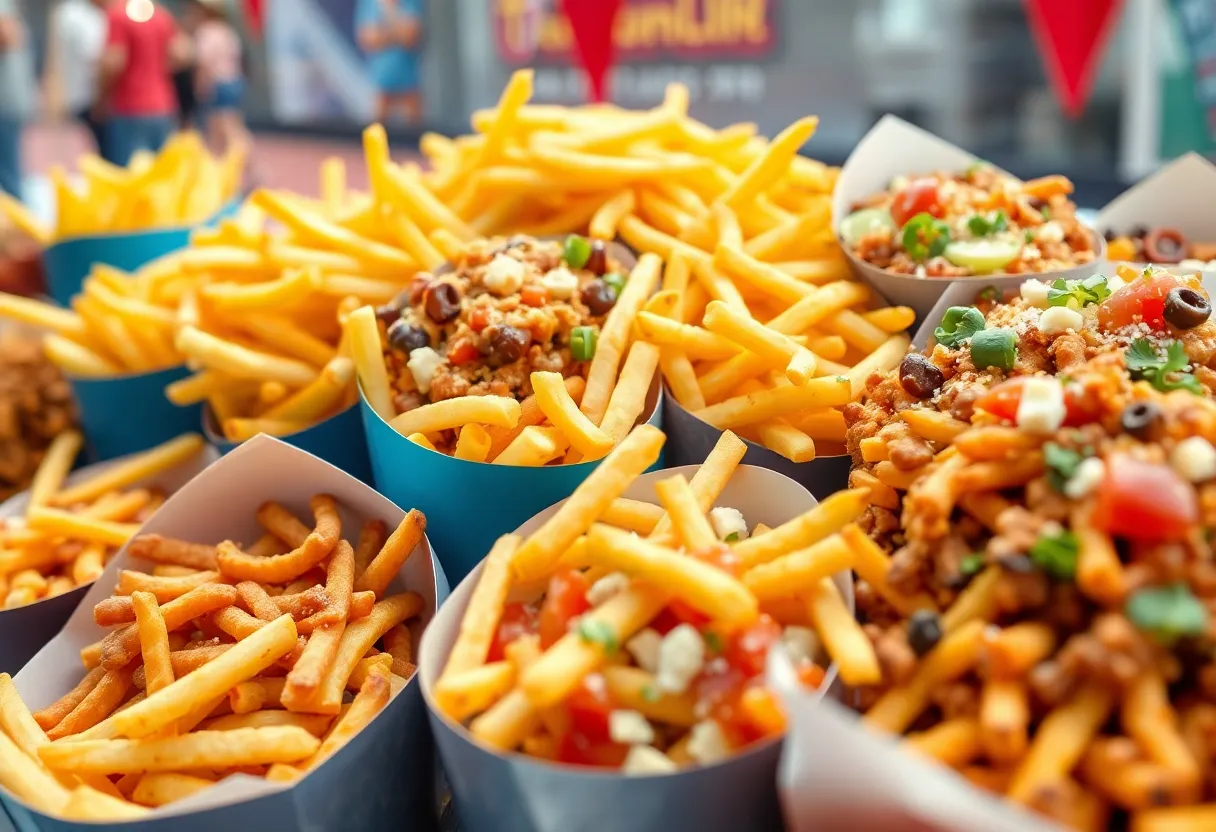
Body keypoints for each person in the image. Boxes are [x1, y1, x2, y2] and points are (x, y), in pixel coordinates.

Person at [98, 0, 193, 166]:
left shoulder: (118, 14)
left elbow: (115, 61)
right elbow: (182, 53)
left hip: (129, 107)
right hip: (163, 105)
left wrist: (101, 94)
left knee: (129, 176)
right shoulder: (159, 13)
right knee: (161, 174)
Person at [44, 0, 108, 156]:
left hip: (84, 93)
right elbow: (95, 55)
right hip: (92, 96)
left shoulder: (68, 12)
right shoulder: (78, 15)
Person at [186, 0, 249, 156]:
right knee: (231, 126)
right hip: (233, 80)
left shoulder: (206, 32)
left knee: (223, 128)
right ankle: (238, 165)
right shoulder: (227, 30)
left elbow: (204, 63)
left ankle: (246, 165)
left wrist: (200, 85)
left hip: (218, 82)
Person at [355, 0, 423, 125]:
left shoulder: (411, 2)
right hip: (380, 80)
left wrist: (385, 27)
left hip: (408, 79)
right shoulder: (368, 3)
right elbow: (368, 38)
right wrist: (398, 32)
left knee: (413, 133)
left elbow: (411, 35)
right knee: (377, 130)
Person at [0, 0, 34, 199]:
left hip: (5, 103)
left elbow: (8, 37)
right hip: (9, 101)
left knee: (8, 173)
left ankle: (18, 225)